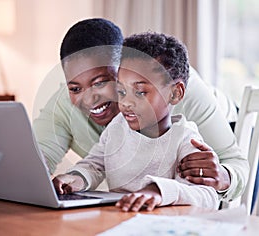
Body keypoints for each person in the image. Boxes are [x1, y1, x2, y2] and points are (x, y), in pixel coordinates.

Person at [32, 18, 248, 203]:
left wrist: (221, 175)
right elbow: (83, 163)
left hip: (231, 132)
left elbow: (211, 186)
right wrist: (72, 179)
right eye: (76, 87)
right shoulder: (72, 108)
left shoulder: (171, 87)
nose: (88, 98)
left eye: (101, 82)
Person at [53, 32, 219, 211]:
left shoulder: (186, 139)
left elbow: (208, 196)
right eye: (122, 91)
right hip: (122, 221)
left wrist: (159, 191)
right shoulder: (117, 127)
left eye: (140, 92)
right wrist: (74, 178)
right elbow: (94, 165)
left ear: (175, 93)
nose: (125, 102)